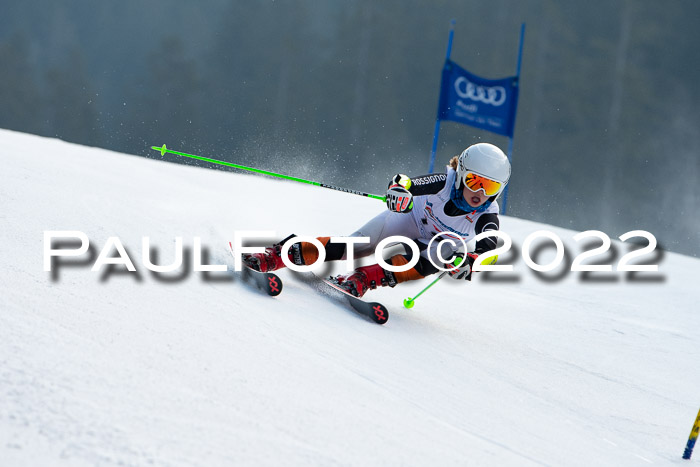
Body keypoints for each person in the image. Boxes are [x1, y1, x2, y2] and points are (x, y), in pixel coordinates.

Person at [244, 142, 511, 297]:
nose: (479, 192)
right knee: (356, 246)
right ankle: (278, 254)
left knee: (439, 255)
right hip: (412, 218)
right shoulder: (444, 182)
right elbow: (407, 183)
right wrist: (398, 192)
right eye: (475, 181)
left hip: (436, 246)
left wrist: (472, 263)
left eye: (489, 187)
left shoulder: (487, 214)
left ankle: (364, 278)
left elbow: (491, 247)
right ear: (462, 173)